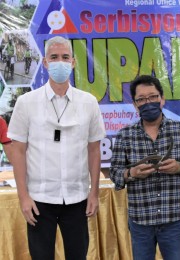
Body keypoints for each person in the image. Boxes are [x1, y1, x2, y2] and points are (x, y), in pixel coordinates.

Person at [7, 36, 106, 260]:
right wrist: (23, 196)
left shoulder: (88, 102)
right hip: (39, 199)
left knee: (78, 256)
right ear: (45, 62)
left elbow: (94, 150)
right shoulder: (26, 103)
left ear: (73, 62)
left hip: (77, 198)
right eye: (54, 57)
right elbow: (19, 152)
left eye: (64, 57)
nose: (59, 62)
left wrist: (94, 193)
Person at [109, 75, 180, 260]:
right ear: (135, 105)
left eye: (152, 97)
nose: (148, 102)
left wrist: (179, 167)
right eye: (141, 99)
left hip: (174, 217)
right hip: (141, 220)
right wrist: (131, 173)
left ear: (162, 99)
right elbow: (115, 174)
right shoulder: (124, 135)